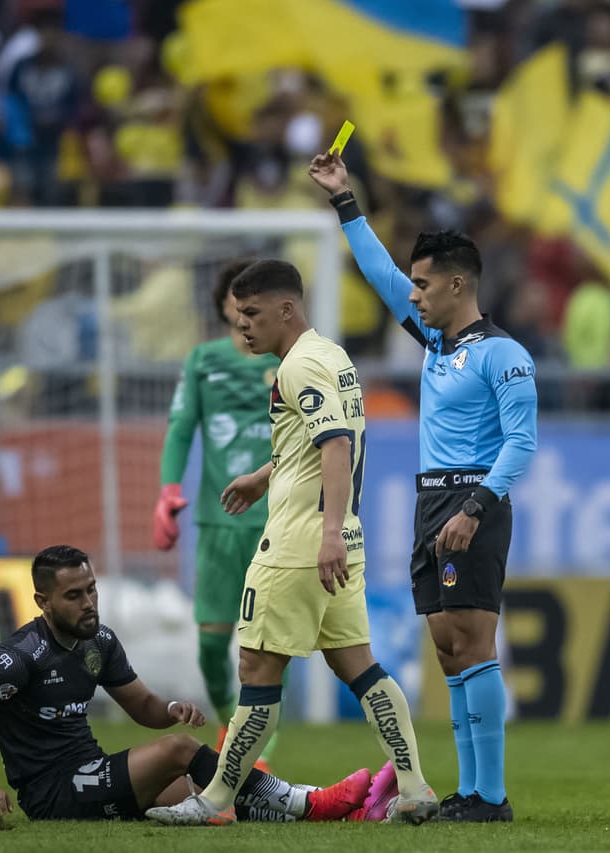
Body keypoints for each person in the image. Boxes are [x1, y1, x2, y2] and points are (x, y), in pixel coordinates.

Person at [147, 259, 438, 827]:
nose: (242, 325)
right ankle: (414, 787)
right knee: (361, 667)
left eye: (252, 313)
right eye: (238, 314)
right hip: (341, 538)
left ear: (286, 310)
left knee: (257, 670)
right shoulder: (331, 356)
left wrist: (325, 533)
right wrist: (265, 476)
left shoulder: (297, 367)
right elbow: (316, 439)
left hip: (300, 545)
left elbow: (336, 445)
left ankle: (215, 800)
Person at [309, 153, 537, 823]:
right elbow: (381, 276)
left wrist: (475, 507)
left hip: (472, 501)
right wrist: (345, 201)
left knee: (474, 641)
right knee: (446, 646)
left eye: (424, 284)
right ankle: (470, 790)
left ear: (458, 283)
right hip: (431, 499)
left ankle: (490, 796)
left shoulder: (503, 354)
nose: (412, 295)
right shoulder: (437, 344)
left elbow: (522, 443)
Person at [0, 545, 372, 824]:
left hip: (94, 772)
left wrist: (169, 710)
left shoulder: (99, 642)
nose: (89, 603)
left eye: (91, 590)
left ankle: (342, 811)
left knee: (203, 790)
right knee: (181, 750)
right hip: (53, 794)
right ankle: (308, 801)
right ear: (42, 602)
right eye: (74, 596)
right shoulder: (19, 656)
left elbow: (142, 706)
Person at [153, 259, 283, 763]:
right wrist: (168, 491)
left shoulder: (289, 359)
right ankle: (233, 719)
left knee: (271, 643)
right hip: (218, 520)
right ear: (224, 304)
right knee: (212, 644)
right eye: (237, 295)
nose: (244, 306)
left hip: (277, 521)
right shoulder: (203, 361)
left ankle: (261, 743)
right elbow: (181, 426)